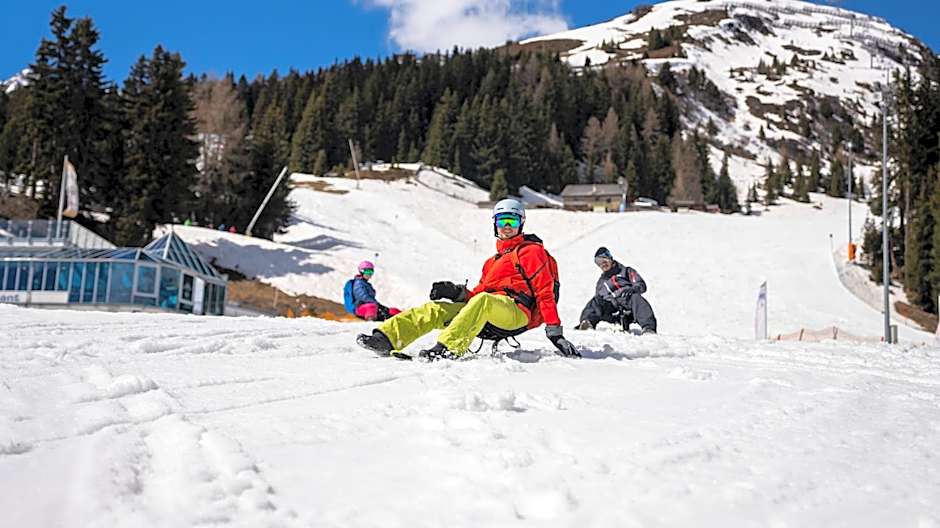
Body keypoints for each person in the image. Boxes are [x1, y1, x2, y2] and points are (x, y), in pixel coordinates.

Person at [356, 199, 578, 360]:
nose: (507, 226)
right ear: (495, 224)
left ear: (521, 223)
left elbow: (544, 292)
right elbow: (477, 294)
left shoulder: (531, 252)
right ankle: (386, 339)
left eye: (512, 220)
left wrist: (555, 333)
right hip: (486, 311)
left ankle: (448, 348)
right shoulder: (492, 262)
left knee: (484, 302)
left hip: (516, 313)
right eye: (502, 220)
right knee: (437, 309)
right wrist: (455, 292)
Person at [577, 247, 657, 334]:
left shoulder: (626, 271)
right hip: (612, 310)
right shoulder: (602, 282)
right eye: (599, 263)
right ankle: (586, 323)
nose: (603, 265)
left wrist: (632, 289)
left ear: (610, 259)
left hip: (629, 306)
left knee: (636, 298)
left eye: (605, 261)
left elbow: (641, 285)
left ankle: (648, 328)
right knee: (595, 301)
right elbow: (599, 299)